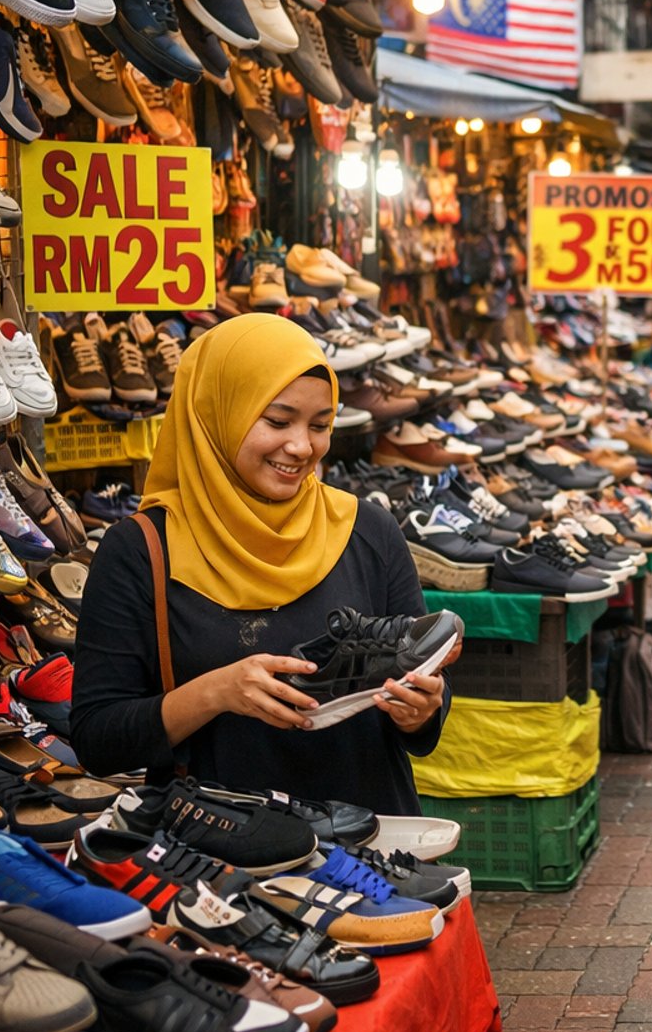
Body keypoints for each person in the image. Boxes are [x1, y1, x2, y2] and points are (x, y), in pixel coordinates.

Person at [71, 314, 451, 816]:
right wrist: (217, 693)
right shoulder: (141, 551)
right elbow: (99, 741)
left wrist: (422, 710)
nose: (302, 447)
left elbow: (424, 729)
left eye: (320, 426)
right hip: (221, 860)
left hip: (371, 854)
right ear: (216, 413)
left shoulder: (367, 531)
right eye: (277, 421)